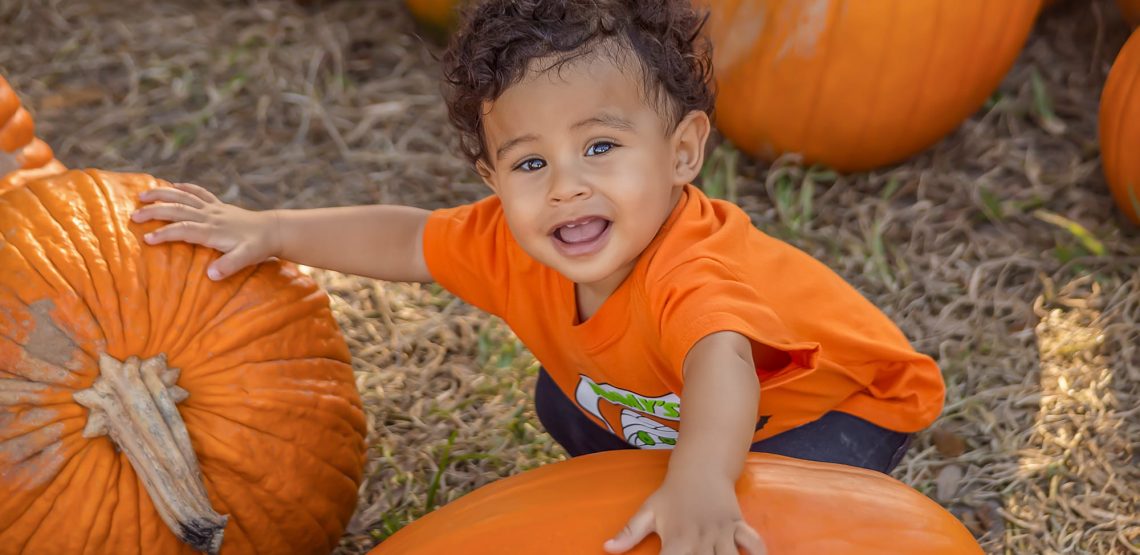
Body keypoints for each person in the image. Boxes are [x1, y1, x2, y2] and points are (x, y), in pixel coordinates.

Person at [132, 1, 946, 553]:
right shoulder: (508, 242)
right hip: (671, 398)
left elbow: (722, 358)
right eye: (530, 160)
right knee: (561, 397)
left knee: (742, 515)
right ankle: (658, 468)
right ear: (491, 175)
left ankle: (701, 482)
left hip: (835, 405)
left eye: (600, 146)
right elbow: (411, 239)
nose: (565, 184)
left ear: (683, 152)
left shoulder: (692, 266)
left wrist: (702, 477)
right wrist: (270, 231)